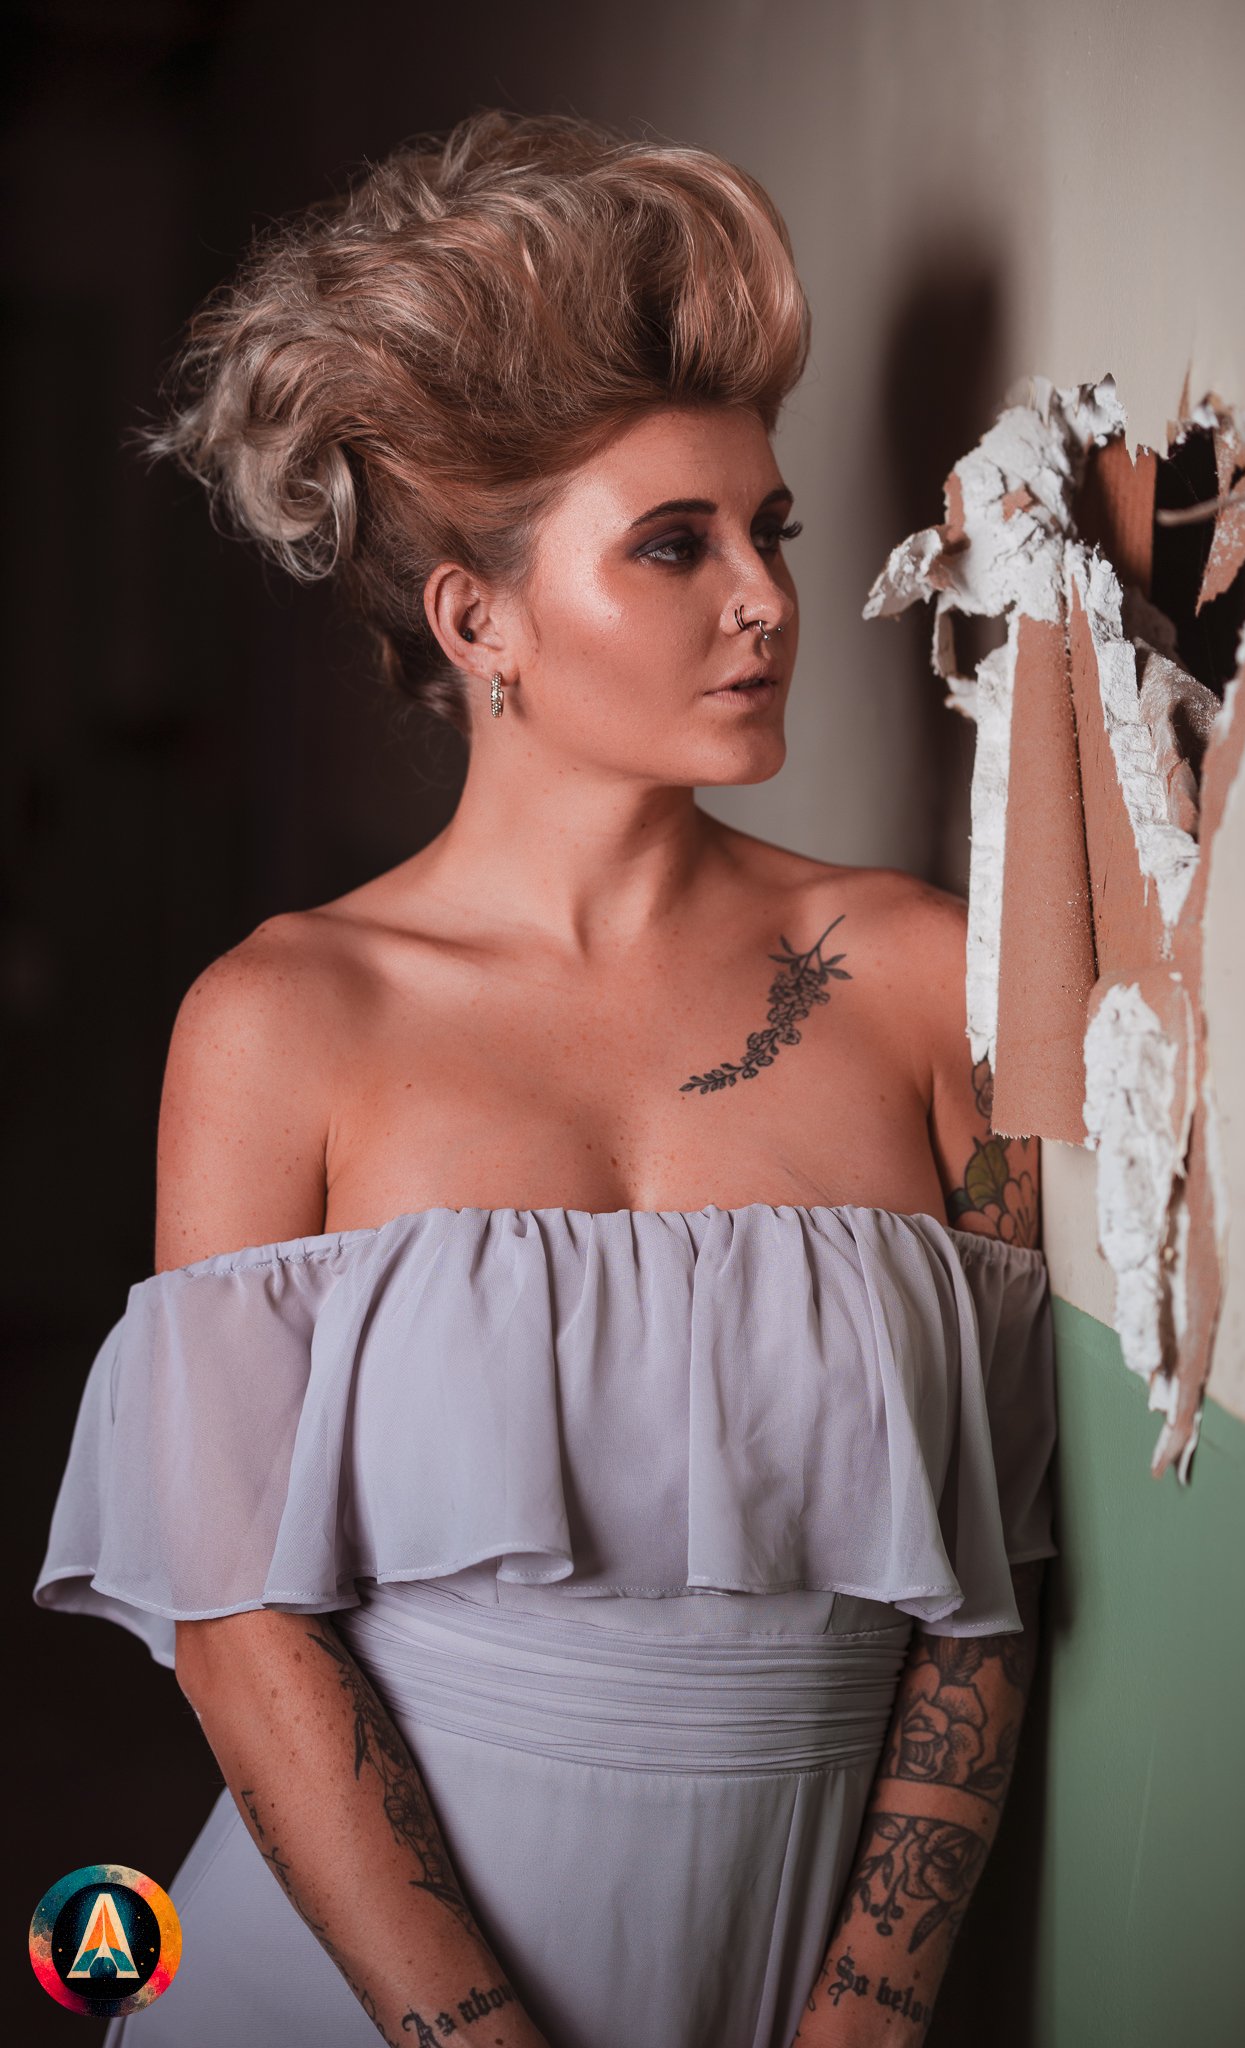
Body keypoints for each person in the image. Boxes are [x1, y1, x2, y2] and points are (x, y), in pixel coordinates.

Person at [34, 109, 1057, 2048]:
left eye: (770, 530)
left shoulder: (926, 976)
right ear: (474, 618)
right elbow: (242, 1630)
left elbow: (986, 1596)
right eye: (674, 544)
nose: (762, 597)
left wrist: (859, 2021)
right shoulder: (279, 1020)